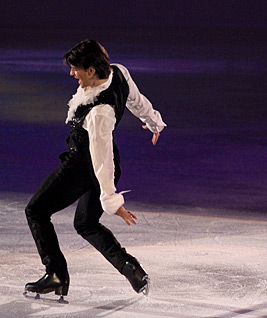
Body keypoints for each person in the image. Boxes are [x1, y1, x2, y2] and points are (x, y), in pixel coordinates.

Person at [24, 39, 166, 298]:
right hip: (101, 162)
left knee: (36, 210)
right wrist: (154, 122)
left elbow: (102, 159)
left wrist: (111, 200)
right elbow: (136, 100)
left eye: (75, 68)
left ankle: (56, 273)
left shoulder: (99, 112)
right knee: (86, 224)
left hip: (83, 167)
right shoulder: (118, 72)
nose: (71, 73)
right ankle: (132, 270)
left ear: (91, 70)